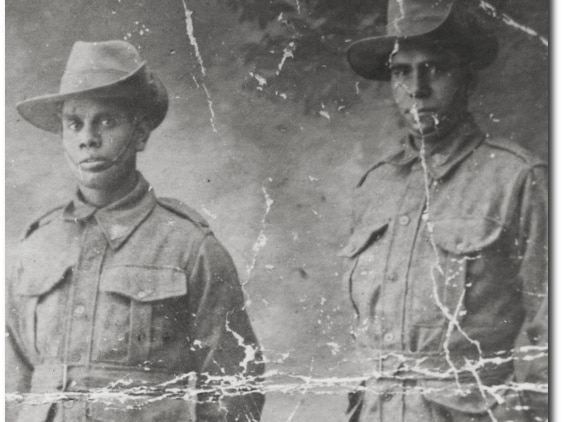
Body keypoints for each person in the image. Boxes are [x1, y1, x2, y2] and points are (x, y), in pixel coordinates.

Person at [6, 40, 264, 422]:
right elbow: (13, 385)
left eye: (107, 120)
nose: (87, 138)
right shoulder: (36, 247)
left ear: (140, 132)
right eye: (74, 123)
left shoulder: (189, 247)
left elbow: (235, 392)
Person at [340, 0, 548, 421]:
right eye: (401, 71)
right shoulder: (375, 185)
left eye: (434, 68)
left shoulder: (516, 178)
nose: (416, 88)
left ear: (466, 77)